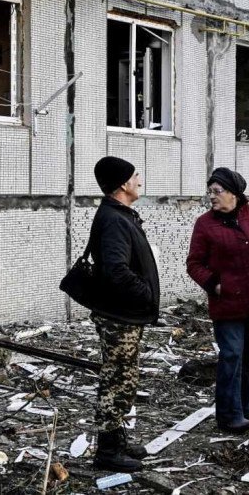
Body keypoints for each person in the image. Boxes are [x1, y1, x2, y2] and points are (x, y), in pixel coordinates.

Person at [88, 157, 160, 472]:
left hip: (124, 315)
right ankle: (107, 451)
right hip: (118, 317)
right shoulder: (115, 219)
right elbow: (115, 269)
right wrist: (144, 292)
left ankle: (116, 441)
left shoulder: (119, 215)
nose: (140, 180)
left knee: (124, 378)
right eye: (135, 175)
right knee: (117, 380)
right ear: (122, 184)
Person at [187, 168, 249, 434]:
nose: (211, 196)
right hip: (227, 303)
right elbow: (194, 264)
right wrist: (215, 284)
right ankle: (228, 414)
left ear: (234, 193)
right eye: (209, 191)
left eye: (217, 191)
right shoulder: (205, 223)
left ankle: (245, 406)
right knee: (232, 355)